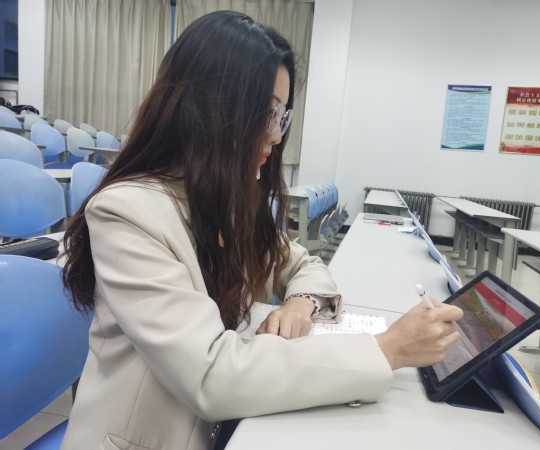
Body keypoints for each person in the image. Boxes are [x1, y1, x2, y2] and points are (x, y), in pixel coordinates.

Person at [60, 10, 463, 450]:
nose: (276, 136)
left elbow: (302, 264)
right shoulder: (127, 214)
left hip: (224, 426)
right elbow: (211, 375)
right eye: (267, 114)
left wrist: (300, 304)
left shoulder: (227, 199)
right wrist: (386, 349)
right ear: (210, 108)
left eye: (282, 117)